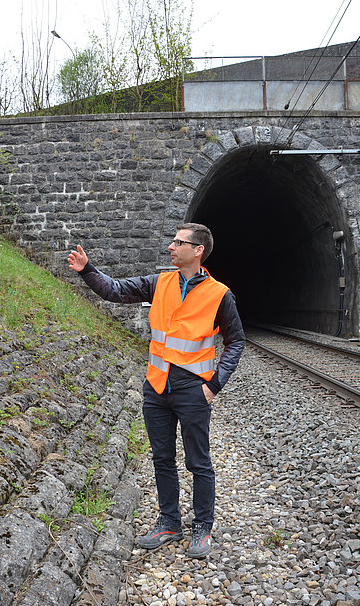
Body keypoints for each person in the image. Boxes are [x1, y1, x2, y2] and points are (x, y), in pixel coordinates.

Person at [68, 223, 245, 558]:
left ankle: (202, 528)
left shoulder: (220, 294)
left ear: (198, 251)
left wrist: (214, 386)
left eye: (179, 242)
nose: (170, 247)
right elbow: (115, 290)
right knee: (162, 458)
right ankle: (169, 522)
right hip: (157, 386)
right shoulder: (159, 282)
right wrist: (87, 270)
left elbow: (236, 342)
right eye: (172, 241)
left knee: (198, 461)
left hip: (194, 388)